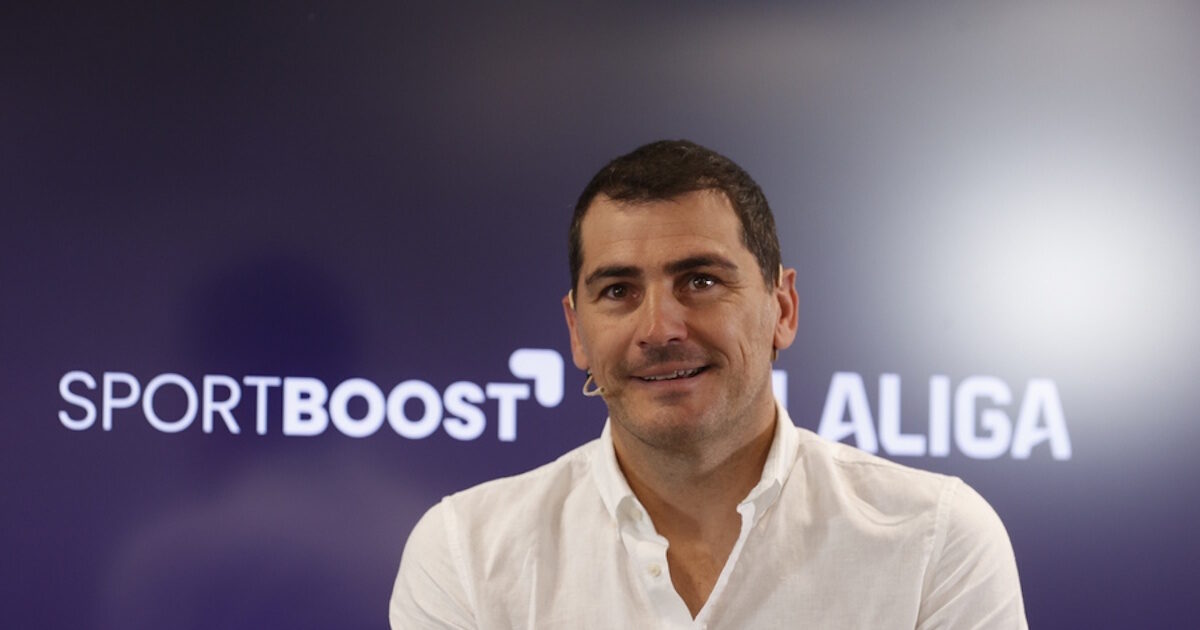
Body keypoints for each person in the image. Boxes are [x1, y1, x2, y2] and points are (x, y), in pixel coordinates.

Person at [389, 140, 1027, 629]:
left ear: (782, 308)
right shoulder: (465, 554)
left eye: (701, 281)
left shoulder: (935, 539)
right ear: (577, 331)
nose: (659, 328)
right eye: (618, 290)